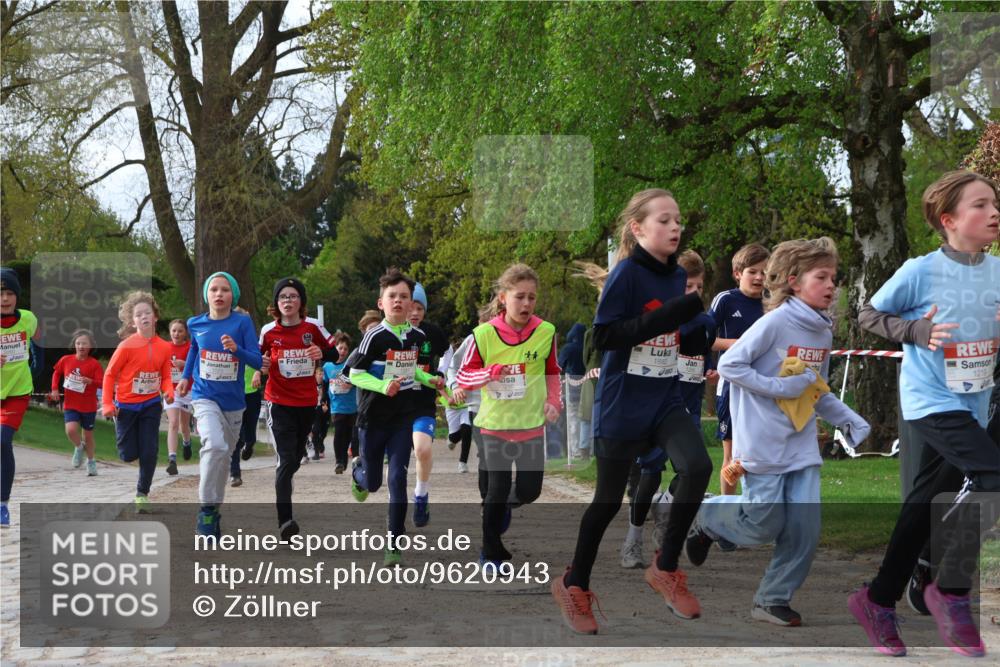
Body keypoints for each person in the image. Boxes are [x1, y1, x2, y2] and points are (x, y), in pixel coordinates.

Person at [848, 170, 1000, 658]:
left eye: (995, 203)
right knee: (993, 476)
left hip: (975, 401)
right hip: (931, 400)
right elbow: (868, 314)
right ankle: (949, 589)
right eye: (980, 205)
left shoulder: (997, 271)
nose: (994, 212)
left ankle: (877, 598)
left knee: (922, 503)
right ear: (948, 219)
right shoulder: (920, 270)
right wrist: (915, 331)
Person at [550, 188, 713, 634]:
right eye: (664, 220)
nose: (675, 227)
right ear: (638, 228)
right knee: (605, 503)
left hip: (664, 399)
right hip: (623, 404)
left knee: (698, 467)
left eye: (678, 219)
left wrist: (694, 328)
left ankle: (665, 566)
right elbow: (605, 337)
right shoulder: (626, 274)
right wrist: (673, 314)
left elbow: (671, 331)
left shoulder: (677, 276)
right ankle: (574, 583)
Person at [685, 237, 870, 627]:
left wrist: (847, 418)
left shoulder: (822, 332)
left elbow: (813, 388)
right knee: (762, 523)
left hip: (800, 443)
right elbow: (731, 365)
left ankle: (771, 599)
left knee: (805, 529)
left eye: (833, 277)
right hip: (763, 441)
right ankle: (707, 515)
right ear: (794, 281)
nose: (831, 285)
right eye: (822, 277)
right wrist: (779, 388)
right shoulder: (774, 323)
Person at [456, 264, 561, 568]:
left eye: (532, 297)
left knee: (530, 491)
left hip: (530, 425)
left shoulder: (546, 332)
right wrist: (489, 373)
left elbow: (553, 372)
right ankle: (490, 553)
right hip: (495, 426)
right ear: (503, 298)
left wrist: (554, 401)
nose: (526, 304)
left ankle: (500, 507)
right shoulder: (484, 334)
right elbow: (464, 375)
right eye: (519, 297)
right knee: (497, 490)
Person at [620, 250, 717, 569]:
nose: (693, 293)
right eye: (687, 286)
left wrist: (709, 371)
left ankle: (667, 505)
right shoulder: (657, 320)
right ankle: (633, 539)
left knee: (696, 470)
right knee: (649, 473)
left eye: (699, 287)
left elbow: (703, 358)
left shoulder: (706, 323)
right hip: (655, 407)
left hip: (687, 406)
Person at [346, 268, 447, 566]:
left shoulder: (416, 336)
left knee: (398, 478)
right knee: (373, 483)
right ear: (382, 303)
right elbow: (352, 374)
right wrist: (382, 386)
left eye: (404, 296)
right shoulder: (373, 337)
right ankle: (359, 474)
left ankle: (394, 545)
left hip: (403, 417)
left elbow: (410, 369)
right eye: (393, 296)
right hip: (373, 418)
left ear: (412, 303)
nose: (399, 301)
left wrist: (429, 380)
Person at [176, 272, 261, 538]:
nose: (219, 294)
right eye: (213, 289)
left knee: (223, 458)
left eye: (225, 289)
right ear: (207, 294)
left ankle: (213, 509)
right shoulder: (195, 323)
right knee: (214, 445)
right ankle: (206, 509)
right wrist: (186, 378)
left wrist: (236, 349)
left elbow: (257, 361)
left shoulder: (242, 323)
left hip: (233, 403)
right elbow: (194, 349)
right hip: (204, 397)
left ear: (233, 295)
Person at [258, 277, 335, 539]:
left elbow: (335, 352)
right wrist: (261, 367)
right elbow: (258, 357)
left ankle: (285, 488)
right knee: (286, 460)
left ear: (301, 301)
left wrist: (321, 354)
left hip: (306, 402)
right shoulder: (268, 331)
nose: (287, 301)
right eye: (283, 297)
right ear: (276, 303)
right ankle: (285, 521)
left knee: (296, 457)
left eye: (293, 296)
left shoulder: (313, 326)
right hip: (278, 402)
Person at [102, 291, 175, 513]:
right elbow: (109, 375)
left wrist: (169, 391)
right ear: (132, 322)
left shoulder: (165, 347)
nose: (144, 316)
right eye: (138, 314)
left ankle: (142, 494)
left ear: (155, 317)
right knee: (128, 455)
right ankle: (125, 442)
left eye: (147, 312)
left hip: (151, 404)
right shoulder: (126, 346)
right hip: (126, 405)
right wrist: (108, 403)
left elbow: (166, 376)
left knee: (149, 451)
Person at [710, 243, 770, 495]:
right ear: (737, 274)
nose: (758, 277)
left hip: (764, 387)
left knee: (760, 455)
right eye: (752, 272)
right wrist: (737, 345)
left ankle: (756, 505)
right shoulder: (725, 300)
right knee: (733, 455)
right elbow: (703, 339)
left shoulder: (772, 304)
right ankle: (727, 508)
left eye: (764, 272)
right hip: (732, 387)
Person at [408, 282, 450, 527]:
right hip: (394, 405)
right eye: (411, 307)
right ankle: (395, 510)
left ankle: (421, 494)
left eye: (420, 308)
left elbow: (447, 351)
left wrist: (442, 372)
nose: (415, 313)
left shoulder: (431, 332)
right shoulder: (391, 333)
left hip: (423, 403)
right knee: (397, 462)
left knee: (422, 450)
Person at [1, 268, 40, 526]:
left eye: (10, 293)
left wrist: (35, 367)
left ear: (17, 295)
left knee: (2, 441)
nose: (5, 299)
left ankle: (2, 505)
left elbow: (38, 343)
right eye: (0, 293)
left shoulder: (28, 319)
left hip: (17, 392)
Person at [49, 329, 104, 477]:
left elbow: (102, 383)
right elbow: (56, 373)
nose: (81, 346)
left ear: (91, 346)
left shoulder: (94, 364)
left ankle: (91, 462)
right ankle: (79, 447)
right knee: (71, 430)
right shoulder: (66, 359)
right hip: (71, 404)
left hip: (88, 406)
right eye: (78, 343)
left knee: (88, 436)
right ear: (74, 345)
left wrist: (90, 381)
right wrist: (54, 389)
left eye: (84, 343)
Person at [323, 332, 358, 474]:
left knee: (350, 436)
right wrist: (324, 400)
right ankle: (339, 461)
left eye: (345, 349)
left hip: (352, 406)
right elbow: (325, 384)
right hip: (336, 407)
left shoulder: (351, 365)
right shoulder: (327, 366)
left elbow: (360, 379)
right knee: (339, 433)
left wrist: (351, 384)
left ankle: (348, 460)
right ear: (335, 348)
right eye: (340, 348)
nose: (342, 351)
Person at [165, 318, 194, 475]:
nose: (176, 334)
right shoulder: (165, 347)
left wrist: (185, 365)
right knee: (173, 423)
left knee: (184, 425)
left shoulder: (190, 347)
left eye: (180, 331)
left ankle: (187, 441)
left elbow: (198, 368)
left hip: (186, 390)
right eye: (174, 330)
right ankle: (172, 460)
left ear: (185, 333)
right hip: (171, 390)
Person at [559, 323, 587, 459]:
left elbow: (559, 366)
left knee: (573, 419)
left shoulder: (568, 348)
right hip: (588, 387)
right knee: (586, 419)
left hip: (571, 387)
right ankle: (586, 449)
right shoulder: (588, 347)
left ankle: (575, 450)